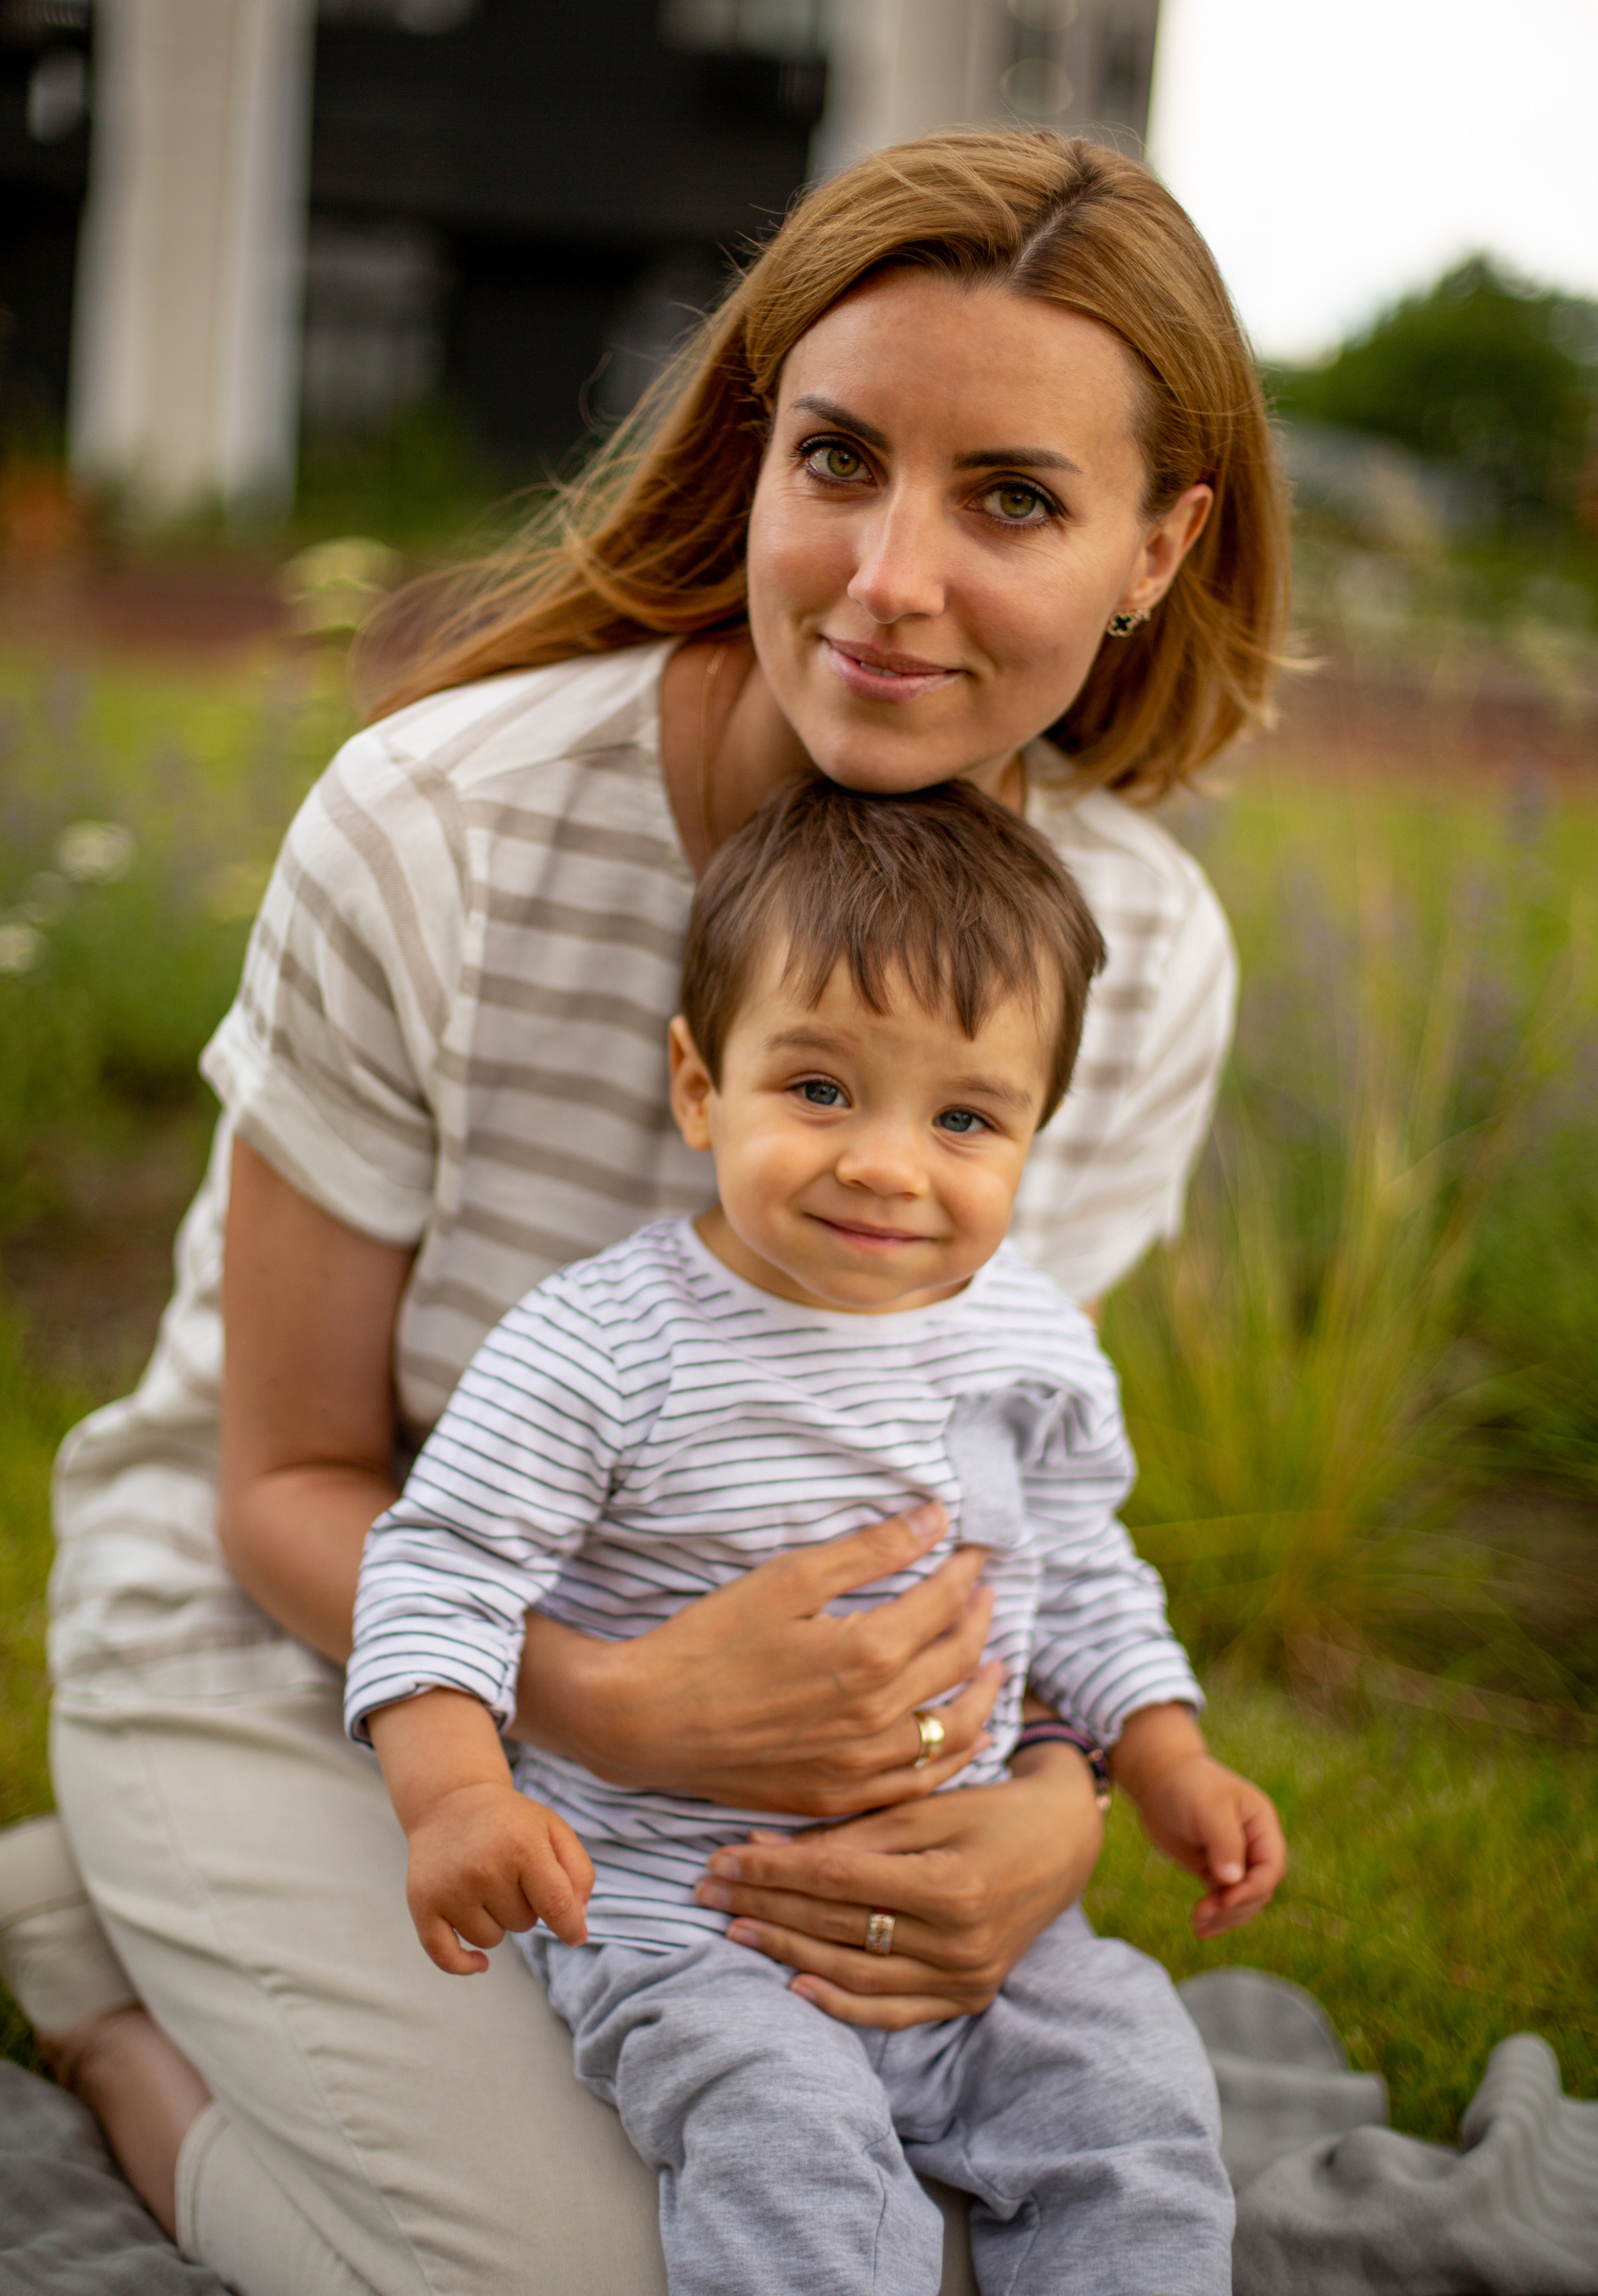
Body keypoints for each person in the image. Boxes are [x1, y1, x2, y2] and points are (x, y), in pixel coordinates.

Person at [0, 126, 1292, 2295]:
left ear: (1162, 547)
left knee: (950, 2234)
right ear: (755, 445)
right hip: (308, 1647)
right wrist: (602, 1711)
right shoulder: (444, 831)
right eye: (842, 459)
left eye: (1017, 500)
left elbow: (1000, 1483)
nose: (886, 580)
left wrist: (1061, 1803)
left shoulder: (1134, 958)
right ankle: (106, 1995)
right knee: (602, 2275)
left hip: (756, 1783)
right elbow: (287, 1472)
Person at [349, 774, 1283, 2296]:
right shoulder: (604, 1344)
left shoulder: (1028, 1344)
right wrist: (454, 1793)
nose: (886, 1163)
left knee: (1139, 2108)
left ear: (1034, 1133)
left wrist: (1163, 1753)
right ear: (700, 1082)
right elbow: (442, 1562)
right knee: (789, 2155)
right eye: (821, 1089)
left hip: (968, 1906)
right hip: (684, 1914)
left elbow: (1080, 1573)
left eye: (964, 1116)